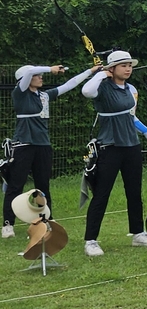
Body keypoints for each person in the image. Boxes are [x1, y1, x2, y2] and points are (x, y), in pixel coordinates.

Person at [80, 51, 147, 256]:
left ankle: (138, 233)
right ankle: (90, 240)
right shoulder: (102, 88)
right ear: (112, 69)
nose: (128, 68)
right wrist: (101, 73)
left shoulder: (130, 89)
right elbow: (85, 90)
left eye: (130, 65)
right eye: (123, 65)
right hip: (110, 147)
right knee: (102, 193)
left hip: (131, 146)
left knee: (134, 192)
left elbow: (131, 118)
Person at [2, 62, 99, 238]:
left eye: (41, 75)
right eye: (37, 76)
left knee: (43, 186)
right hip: (23, 145)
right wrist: (50, 68)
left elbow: (69, 84)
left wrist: (91, 71)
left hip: (43, 146)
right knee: (15, 185)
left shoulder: (45, 96)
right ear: (25, 80)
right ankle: (8, 225)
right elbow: (31, 70)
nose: (41, 77)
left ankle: (46, 219)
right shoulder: (20, 93)